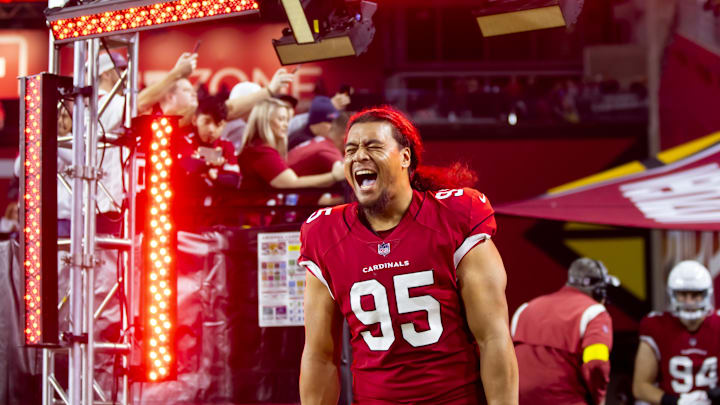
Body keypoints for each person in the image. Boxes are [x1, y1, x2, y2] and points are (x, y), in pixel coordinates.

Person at [298, 106, 518, 404]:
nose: (359, 155)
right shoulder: (325, 233)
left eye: (373, 145)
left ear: (405, 157)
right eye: (350, 149)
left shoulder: (454, 216)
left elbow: (493, 337)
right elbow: (320, 356)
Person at [511, 257, 619, 405]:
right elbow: (596, 364)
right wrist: (599, 398)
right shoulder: (595, 313)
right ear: (600, 291)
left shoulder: (525, 309)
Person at [632, 260, 720, 405]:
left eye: (695, 295)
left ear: (707, 294)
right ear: (672, 294)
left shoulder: (717, 324)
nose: (689, 302)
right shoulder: (655, 326)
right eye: (683, 294)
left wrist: (715, 394)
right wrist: (676, 401)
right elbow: (640, 387)